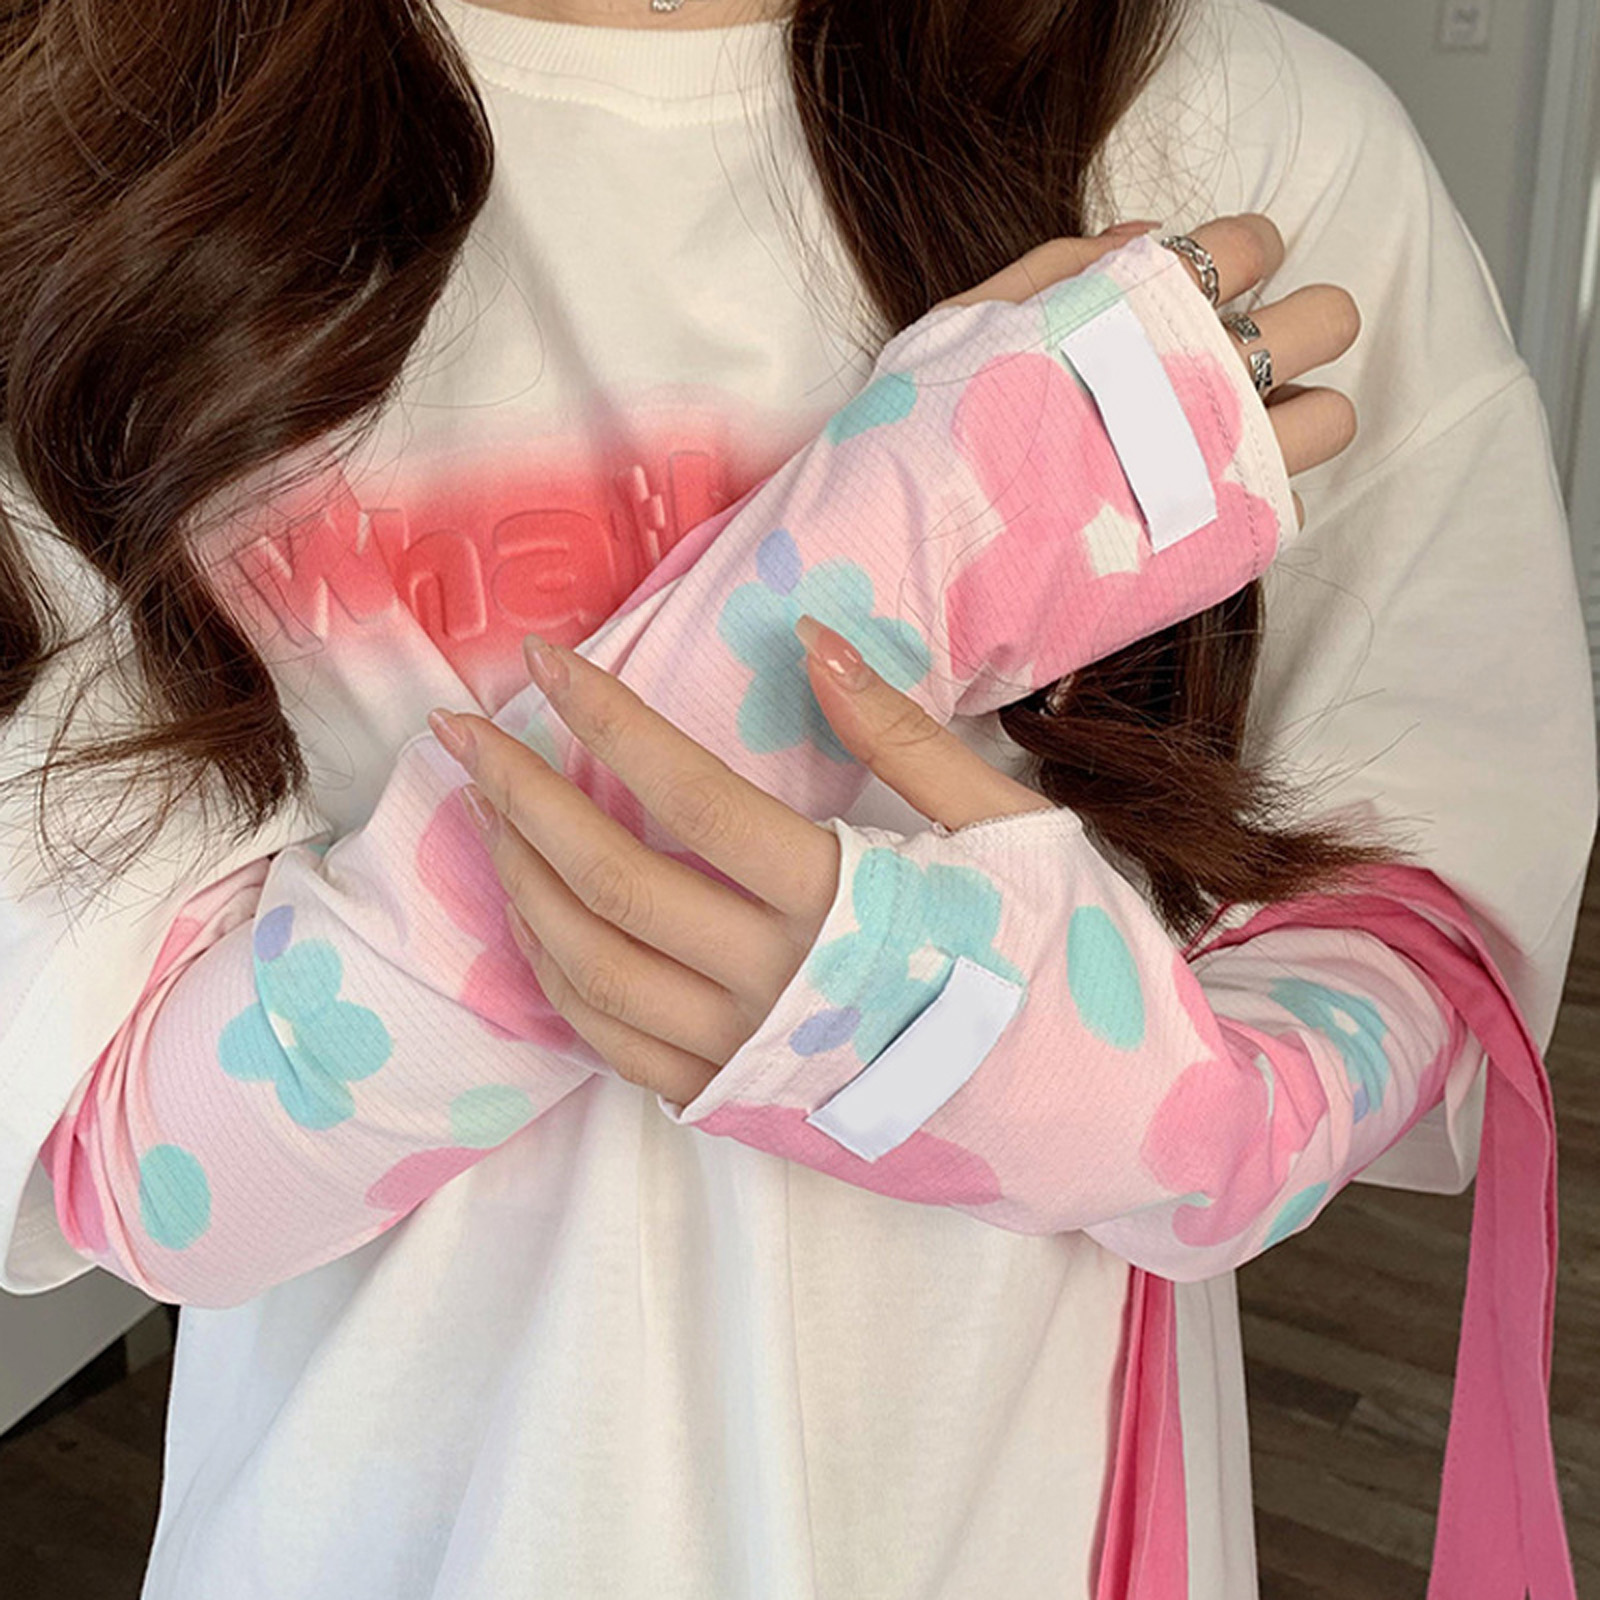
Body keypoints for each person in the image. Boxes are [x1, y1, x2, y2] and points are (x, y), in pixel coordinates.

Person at [0, 1, 1590, 1597]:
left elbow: (1424, 915)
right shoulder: (110, 152)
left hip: (1008, 1532)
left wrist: (1130, 1103)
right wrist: (889, 563)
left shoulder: (1234, 123)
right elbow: (144, 1173)